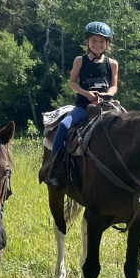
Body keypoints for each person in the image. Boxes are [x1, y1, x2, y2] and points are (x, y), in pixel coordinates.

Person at [43, 21, 118, 186]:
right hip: (84, 106)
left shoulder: (112, 63)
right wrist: (87, 94)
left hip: (105, 106)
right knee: (63, 126)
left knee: (128, 125)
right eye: (94, 41)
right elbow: (72, 82)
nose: (98, 45)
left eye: (101, 41)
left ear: (107, 43)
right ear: (87, 42)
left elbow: (114, 85)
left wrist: (107, 94)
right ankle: (54, 165)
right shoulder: (80, 61)